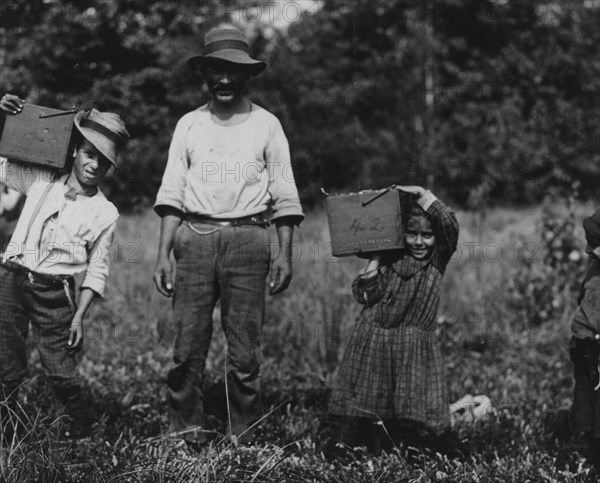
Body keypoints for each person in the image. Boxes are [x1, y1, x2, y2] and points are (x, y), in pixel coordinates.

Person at [153, 27, 304, 444]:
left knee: (243, 352)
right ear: (205, 74)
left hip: (249, 240)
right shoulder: (189, 125)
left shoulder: (267, 125)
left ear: (246, 76)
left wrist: (284, 254)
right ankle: (185, 433)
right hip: (195, 239)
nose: (223, 80)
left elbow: (285, 194)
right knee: (187, 347)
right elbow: (172, 193)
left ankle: (245, 435)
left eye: (232, 71)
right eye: (216, 70)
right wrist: (163, 253)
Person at [0, 93, 130, 440]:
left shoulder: (105, 212)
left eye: (103, 162)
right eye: (89, 154)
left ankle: (81, 435)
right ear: (75, 151)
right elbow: (4, 163)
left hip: (54, 291)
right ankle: (8, 430)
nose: (94, 166)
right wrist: (8, 117)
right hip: (12, 277)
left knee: (61, 371)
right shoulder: (42, 180)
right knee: (7, 366)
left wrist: (79, 316)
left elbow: (97, 269)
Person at [324, 185, 459, 452]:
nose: (419, 242)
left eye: (427, 235)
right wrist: (376, 258)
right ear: (401, 233)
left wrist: (423, 193)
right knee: (368, 397)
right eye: (412, 234)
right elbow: (364, 295)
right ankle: (358, 446)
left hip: (412, 345)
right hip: (375, 340)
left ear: (436, 239)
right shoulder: (391, 259)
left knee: (411, 403)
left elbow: (448, 224)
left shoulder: (436, 261)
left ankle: (408, 447)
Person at [569, 208, 600, 471]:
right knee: (585, 397)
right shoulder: (594, 268)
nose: (593, 251)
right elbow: (584, 298)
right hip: (584, 343)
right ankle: (585, 447)